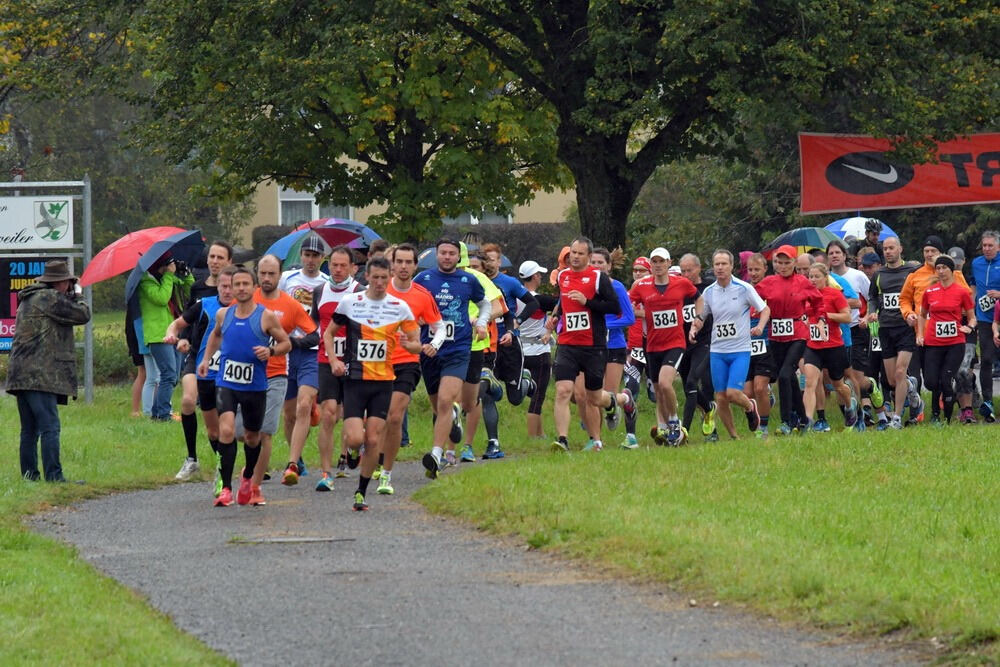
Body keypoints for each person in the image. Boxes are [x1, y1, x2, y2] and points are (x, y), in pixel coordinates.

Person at [323, 257, 422, 511]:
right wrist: (333, 359)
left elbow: (415, 341)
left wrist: (406, 343)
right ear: (366, 276)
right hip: (355, 380)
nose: (379, 282)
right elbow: (329, 332)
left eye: (383, 278)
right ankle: (353, 452)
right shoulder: (350, 303)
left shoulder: (398, 307)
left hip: (383, 382)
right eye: (375, 277)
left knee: (374, 438)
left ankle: (361, 492)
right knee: (356, 438)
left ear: (390, 277)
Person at [198, 267, 291, 507]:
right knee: (226, 431)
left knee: (251, 437)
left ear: (253, 287)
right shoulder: (223, 315)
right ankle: (226, 488)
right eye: (236, 284)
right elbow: (216, 336)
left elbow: (286, 343)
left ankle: (248, 476)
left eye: (244, 284)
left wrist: (270, 351)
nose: (240, 288)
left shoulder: (266, 316)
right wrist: (207, 359)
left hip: (255, 386)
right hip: (226, 381)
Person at [547, 237, 634, 452]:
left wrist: (588, 303)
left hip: (593, 346)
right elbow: (564, 303)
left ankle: (616, 401)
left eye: (579, 254)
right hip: (567, 344)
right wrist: (556, 317)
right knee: (564, 391)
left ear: (587, 256)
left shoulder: (598, 279)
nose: (575, 257)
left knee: (594, 397)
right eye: (572, 253)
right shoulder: (563, 276)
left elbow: (614, 307)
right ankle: (562, 440)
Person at [8, 260, 91, 482]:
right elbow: (83, 314)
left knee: (29, 430)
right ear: (62, 282)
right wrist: (79, 292)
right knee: (49, 427)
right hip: (40, 373)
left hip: (20, 373)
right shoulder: (50, 298)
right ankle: (54, 477)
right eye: (69, 282)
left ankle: (29, 477)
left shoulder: (30, 297)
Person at [415, 238, 490, 479]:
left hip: (458, 349)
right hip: (429, 350)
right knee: (438, 407)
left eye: (451, 254)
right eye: (443, 253)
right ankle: (450, 427)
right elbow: (408, 306)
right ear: (436, 256)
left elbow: (485, 304)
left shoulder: (469, 280)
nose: (447, 257)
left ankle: (437, 454)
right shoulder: (423, 280)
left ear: (459, 257)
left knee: (447, 401)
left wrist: (481, 322)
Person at [375, 243, 445, 495]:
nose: (403, 267)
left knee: (394, 416)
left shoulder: (422, 295)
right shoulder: (377, 291)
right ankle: (374, 453)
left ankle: (386, 472)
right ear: (391, 264)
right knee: (376, 418)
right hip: (376, 363)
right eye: (399, 262)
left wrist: (432, 345)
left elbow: (441, 327)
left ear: (415, 266)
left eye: (408, 262)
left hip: (407, 362)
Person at [248, 255, 319, 498]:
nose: (266, 279)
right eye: (263, 273)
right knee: (244, 431)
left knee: (266, 430)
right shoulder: (248, 298)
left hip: (277, 373)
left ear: (281, 276)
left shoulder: (290, 305)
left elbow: (314, 334)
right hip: (246, 373)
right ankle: (255, 468)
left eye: (272, 274)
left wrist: (290, 343)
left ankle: (256, 480)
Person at [296, 244, 362, 486]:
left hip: (354, 360)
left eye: (343, 265)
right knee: (328, 414)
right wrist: (298, 341)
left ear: (353, 267)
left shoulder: (360, 291)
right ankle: (326, 473)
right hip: (326, 358)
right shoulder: (320, 290)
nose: (338, 269)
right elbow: (314, 326)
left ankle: (352, 449)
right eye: (334, 265)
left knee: (352, 416)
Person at [163, 267, 235, 487]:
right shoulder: (205, 304)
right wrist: (172, 334)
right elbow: (177, 323)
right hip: (198, 362)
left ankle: (223, 467)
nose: (228, 290)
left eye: (232, 286)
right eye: (223, 286)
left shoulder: (243, 309)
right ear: (218, 286)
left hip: (227, 369)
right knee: (186, 401)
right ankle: (192, 458)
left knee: (216, 431)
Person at [688, 250, 767, 439]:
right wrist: (694, 328)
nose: (720, 267)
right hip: (718, 351)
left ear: (732, 266)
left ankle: (750, 406)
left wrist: (760, 327)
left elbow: (765, 310)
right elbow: (701, 316)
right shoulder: (709, 292)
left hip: (740, 350)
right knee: (720, 397)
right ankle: (734, 437)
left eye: (724, 264)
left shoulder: (743, 288)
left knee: (732, 393)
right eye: (717, 264)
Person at [629, 247, 699, 445]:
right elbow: (627, 305)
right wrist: (642, 314)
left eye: (662, 261)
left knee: (666, 383)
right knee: (659, 390)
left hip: (676, 342)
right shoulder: (641, 286)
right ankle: (667, 427)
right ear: (650, 265)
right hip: (652, 344)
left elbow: (699, 298)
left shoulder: (681, 283)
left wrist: (698, 319)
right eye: (654, 262)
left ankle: (674, 423)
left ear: (669, 263)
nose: (658, 265)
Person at [277, 233, 330, 479]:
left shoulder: (327, 282)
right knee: (289, 413)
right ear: (301, 256)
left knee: (304, 406)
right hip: (286, 349)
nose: (311, 260)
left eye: (315, 256)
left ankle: (292, 463)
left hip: (311, 350)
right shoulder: (287, 279)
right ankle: (296, 456)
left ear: (322, 258)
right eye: (307, 255)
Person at [755, 245, 823, 434]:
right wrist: (754, 312)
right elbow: (754, 299)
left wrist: (818, 319)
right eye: (778, 262)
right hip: (776, 335)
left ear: (794, 263)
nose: (782, 266)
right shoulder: (768, 282)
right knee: (790, 378)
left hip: (798, 334)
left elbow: (818, 301)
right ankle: (804, 420)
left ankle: (786, 421)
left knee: (784, 374)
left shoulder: (802, 281)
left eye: (787, 263)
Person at [575, 247, 634, 451]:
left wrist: (603, 326)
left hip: (614, 347)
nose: (597, 266)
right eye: (594, 263)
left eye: (601, 263)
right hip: (590, 347)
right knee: (586, 395)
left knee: (605, 394)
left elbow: (629, 317)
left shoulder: (616, 287)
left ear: (609, 266)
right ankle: (596, 441)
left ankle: (625, 399)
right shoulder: (585, 287)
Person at [864, 236, 921, 429]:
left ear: (900, 249)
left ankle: (896, 417)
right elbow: (872, 297)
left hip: (905, 327)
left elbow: (920, 294)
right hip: (885, 328)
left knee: (899, 372)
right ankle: (911, 387)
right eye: (885, 249)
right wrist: (872, 312)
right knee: (890, 380)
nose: (888, 251)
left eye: (891, 248)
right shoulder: (879, 274)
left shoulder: (911, 271)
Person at [800, 263, 857, 431]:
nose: (813, 279)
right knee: (810, 382)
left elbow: (847, 317)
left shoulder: (834, 295)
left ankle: (850, 405)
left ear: (825, 278)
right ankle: (808, 421)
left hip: (833, 346)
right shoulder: (806, 297)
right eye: (810, 276)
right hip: (813, 347)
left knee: (838, 385)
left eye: (817, 276)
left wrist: (826, 315)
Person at [138, 252, 194, 421]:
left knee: (173, 376)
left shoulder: (166, 279)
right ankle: (163, 414)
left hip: (173, 333)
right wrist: (169, 275)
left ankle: (156, 413)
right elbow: (162, 298)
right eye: (166, 265)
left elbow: (190, 289)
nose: (169, 268)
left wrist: (185, 273)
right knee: (168, 374)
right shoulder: (146, 281)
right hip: (157, 335)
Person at [919, 255, 975, 424]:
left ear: (952, 270)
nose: (941, 271)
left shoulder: (962, 292)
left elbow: (972, 317)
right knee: (930, 381)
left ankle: (943, 417)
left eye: (945, 268)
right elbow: (922, 315)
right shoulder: (929, 292)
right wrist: (920, 334)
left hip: (955, 343)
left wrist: (969, 327)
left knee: (945, 380)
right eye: (938, 268)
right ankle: (938, 413)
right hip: (933, 342)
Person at [676, 253, 717, 441]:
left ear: (698, 269)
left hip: (705, 342)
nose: (686, 274)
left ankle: (684, 430)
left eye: (689, 270)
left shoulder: (708, 289)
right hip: (683, 343)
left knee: (694, 382)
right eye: (682, 270)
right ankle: (708, 408)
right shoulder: (677, 289)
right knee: (687, 387)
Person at [517, 260, 558, 439]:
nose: (541, 277)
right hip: (539, 351)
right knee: (537, 398)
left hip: (520, 352)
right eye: (539, 275)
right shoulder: (539, 299)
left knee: (533, 395)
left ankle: (541, 435)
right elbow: (562, 304)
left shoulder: (514, 296)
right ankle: (533, 437)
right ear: (534, 276)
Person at [744, 253, 777, 438]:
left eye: (757, 269)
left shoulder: (771, 288)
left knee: (759, 388)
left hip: (766, 343)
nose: (754, 273)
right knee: (747, 392)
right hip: (745, 346)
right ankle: (765, 402)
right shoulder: (743, 289)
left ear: (765, 269)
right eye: (750, 270)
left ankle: (763, 428)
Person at [970, 230, 1000, 422]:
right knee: (987, 359)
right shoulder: (976, 263)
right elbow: (973, 286)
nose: (987, 249)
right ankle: (988, 401)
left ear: (998, 247)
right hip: (984, 318)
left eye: (991, 246)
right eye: (984, 246)